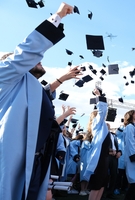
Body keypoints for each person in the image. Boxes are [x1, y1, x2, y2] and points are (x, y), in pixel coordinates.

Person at [0, 3, 78, 199]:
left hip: (36, 159)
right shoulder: (6, 75)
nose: (40, 59)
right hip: (13, 156)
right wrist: (58, 16)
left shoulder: (30, 85)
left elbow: (45, 91)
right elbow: (27, 52)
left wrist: (62, 79)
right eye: (35, 59)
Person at [83, 88, 110, 200]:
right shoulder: (97, 124)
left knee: (102, 182)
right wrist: (99, 97)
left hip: (103, 156)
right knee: (97, 182)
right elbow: (102, 111)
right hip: (98, 157)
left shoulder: (102, 126)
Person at [106, 123, 122, 198]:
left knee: (114, 175)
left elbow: (116, 146)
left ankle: (110, 193)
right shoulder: (102, 135)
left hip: (114, 157)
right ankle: (102, 193)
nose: (108, 126)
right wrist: (109, 150)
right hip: (106, 156)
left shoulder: (113, 135)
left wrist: (119, 152)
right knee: (105, 175)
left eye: (108, 125)